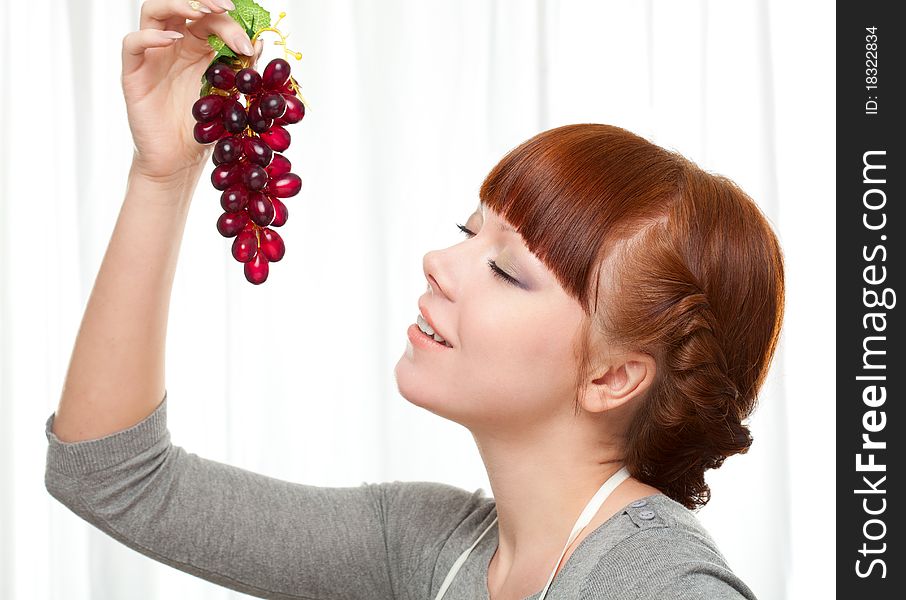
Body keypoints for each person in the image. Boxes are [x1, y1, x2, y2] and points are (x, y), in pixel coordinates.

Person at [44, 1, 784, 599]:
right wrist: (162, 176)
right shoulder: (434, 548)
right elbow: (113, 478)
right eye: (466, 231)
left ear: (611, 377)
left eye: (505, 270)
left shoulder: (659, 587)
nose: (438, 263)